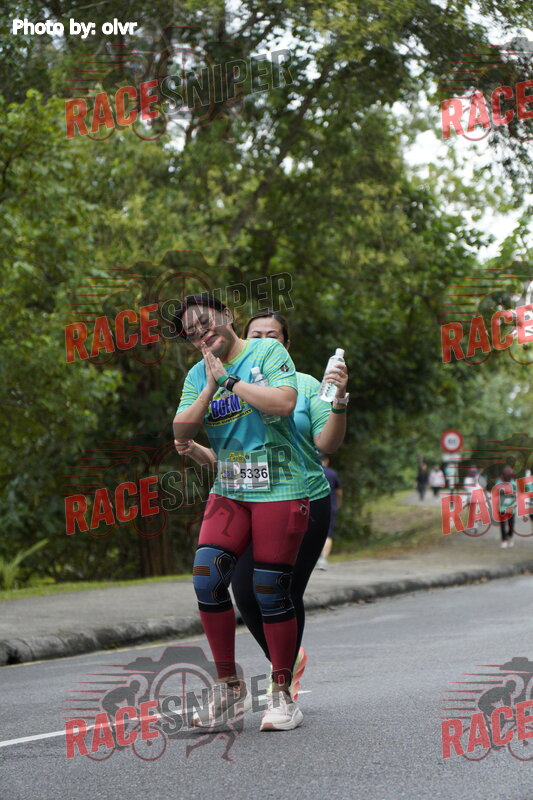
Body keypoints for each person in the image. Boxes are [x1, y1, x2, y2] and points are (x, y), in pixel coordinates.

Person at [176, 309, 349, 707]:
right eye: (257, 335)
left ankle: (281, 685)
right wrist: (203, 431)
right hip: (239, 494)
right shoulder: (205, 373)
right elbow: (210, 444)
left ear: (283, 345)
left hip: (300, 493)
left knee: (275, 589)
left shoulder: (303, 383)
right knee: (225, 583)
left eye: (273, 336)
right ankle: (253, 674)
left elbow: (325, 443)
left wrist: (339, 401)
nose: (264, 341)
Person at [316, 454, 342, 570]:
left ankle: (313, 559)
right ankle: (323, 560)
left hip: (314, 506)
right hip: (330, 506)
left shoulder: (313, 472)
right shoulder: (332, 473)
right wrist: (338, 504)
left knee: (313, 533)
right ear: (327, 461)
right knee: (328, 534)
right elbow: (339, 492)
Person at [494, 466, 517, 548]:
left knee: (511, 525)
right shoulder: (498, 482)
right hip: (501, 507)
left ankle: (509, 537)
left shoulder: (513, 483)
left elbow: (516, 493)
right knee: (503, 524)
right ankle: (504, 540)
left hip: (511, 507)